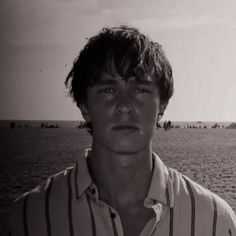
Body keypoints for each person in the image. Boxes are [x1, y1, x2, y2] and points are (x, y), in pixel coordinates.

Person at [1, 25, 236, 236]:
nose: (125, 106)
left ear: (162, 105)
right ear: (84, 106)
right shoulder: (28, 219)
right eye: (108, 90)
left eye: (141, 90)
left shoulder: (215, 221)